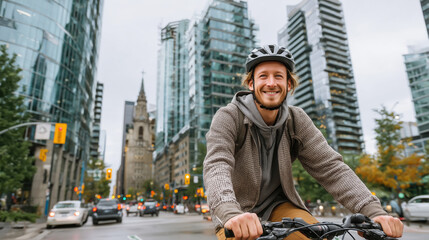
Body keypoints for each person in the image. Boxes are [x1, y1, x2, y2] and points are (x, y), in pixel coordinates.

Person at [203, 44, 403, 240]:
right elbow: (217, 165)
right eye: (263, 76)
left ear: (289, 85)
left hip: (280, 206)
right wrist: (229, 212)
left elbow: (331, 168)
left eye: (278, 76)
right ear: (251, 84)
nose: (271, 83)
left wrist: (374, 211)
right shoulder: (229, 117)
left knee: (317, 236)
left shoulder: (296, 120)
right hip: (237, 211)